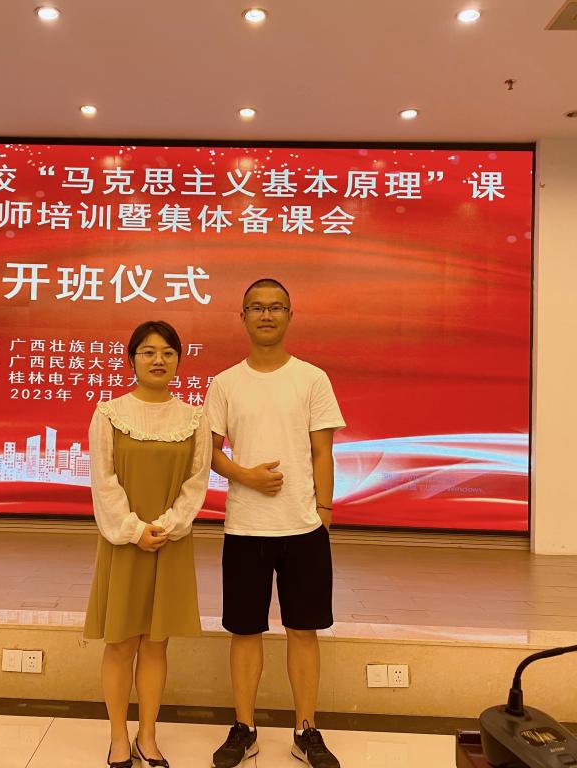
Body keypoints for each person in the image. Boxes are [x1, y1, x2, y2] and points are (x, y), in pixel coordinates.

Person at [205, 279, 346, 768]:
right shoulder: (225, 383)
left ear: (290, 315)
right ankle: (244, 728)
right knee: (245, 632)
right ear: (242, 316)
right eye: (257, 307)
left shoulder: (312, 378)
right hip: (245, 527)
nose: (267, 315)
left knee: (303, 631)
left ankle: (306, 730)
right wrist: (245, 476)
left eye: (276, 307)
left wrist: (324, 511)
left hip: (303, 529)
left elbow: (323, 451)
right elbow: (210, 451)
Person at [84, 320, 212, 768]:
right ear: (132, 359)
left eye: (168, 353)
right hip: (124, 542)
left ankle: (148, 736)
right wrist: (134, 529)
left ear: (179, 360)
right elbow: (103, 481)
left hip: (169, 542)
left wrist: (169, 525)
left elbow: (196, 481)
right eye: (148, 352)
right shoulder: (109, 414)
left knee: (157, 644)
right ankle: (119, 736)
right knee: (121, 643)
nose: (159, 360)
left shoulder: (194, 418)